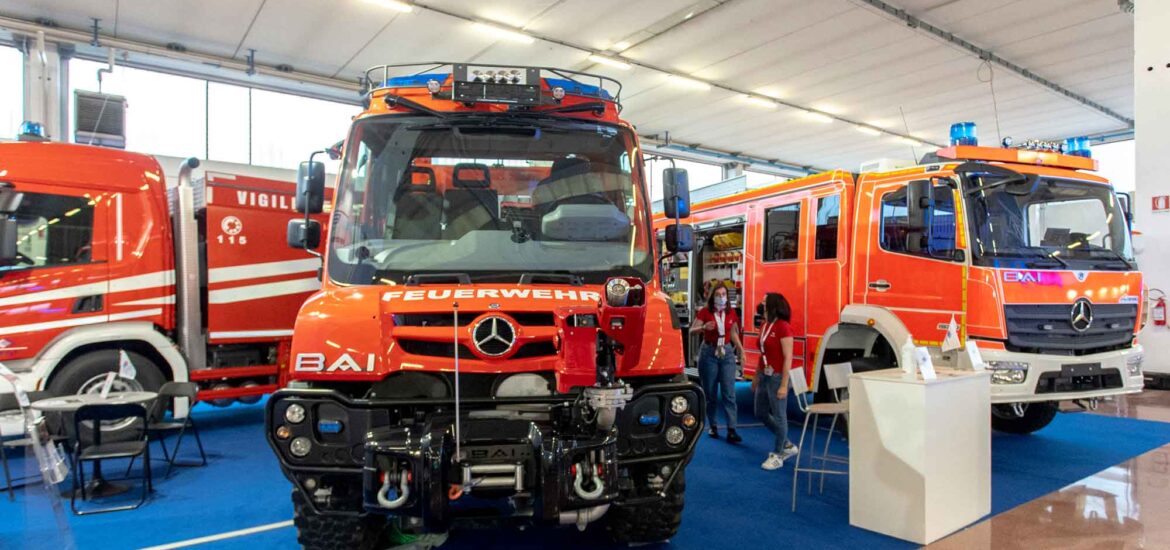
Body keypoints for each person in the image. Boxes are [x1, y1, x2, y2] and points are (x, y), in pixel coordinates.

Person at [691, 285, 746, 443]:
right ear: (712, 296)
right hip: (709, 351)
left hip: (726, 352)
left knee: (729, 392)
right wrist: (703, 327)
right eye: (718, 294)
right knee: (710, 392)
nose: (721, 297)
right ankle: (713, 425)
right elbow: (692, 330)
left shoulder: (731, 312)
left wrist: (741, 350)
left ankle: (731, 429)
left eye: (723, 294)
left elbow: (733, 332)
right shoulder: (705, 312)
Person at [753, 292, 799, 470]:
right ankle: (786, 443)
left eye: (765, 302)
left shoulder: (783, 327)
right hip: (764, 376)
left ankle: (778, 454)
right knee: (760, 412)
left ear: (773, 305)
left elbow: (788, 357)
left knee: (780, 416)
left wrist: (784, 385)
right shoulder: (765, 325)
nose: (762, 304)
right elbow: (763, 353)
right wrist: (756, 375)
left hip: (778, 376)